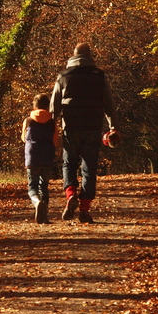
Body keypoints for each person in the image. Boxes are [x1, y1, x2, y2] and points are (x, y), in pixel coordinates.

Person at [51, 43, 116, 223]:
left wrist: (52, 127)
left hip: (70, 127)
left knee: (69, 164)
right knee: (89, 168)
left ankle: (71, 194)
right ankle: (85, 209)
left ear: (73, 55)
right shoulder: (98, 76)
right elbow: (108, 103)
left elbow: (54, 105)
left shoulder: (63, 76)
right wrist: (112, 127)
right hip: (93, 126)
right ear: (90, 55)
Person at [22, 92, 57, 224]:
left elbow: (24, 138)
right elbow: (55, 140)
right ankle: (45, 215)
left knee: (32, 187)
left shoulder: (28, 121)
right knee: (44, 186)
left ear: (34, 106)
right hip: (47, 156)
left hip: (32, 157)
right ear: (48, 106)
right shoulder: (52, 121)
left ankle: (36, 203)